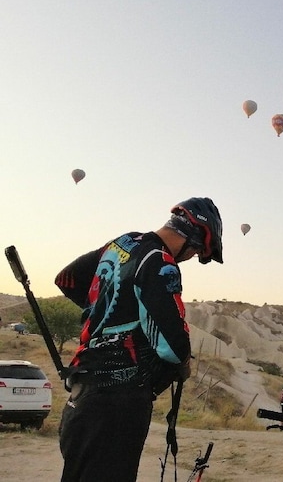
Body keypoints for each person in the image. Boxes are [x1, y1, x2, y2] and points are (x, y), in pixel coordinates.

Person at [53, 197, 224, 482]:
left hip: (83, 393)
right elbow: (172, 345)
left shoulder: (124, 243)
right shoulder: (160, 262)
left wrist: (103, 310)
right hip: (117, 403)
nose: (192, 256)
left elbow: (67, 279)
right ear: (193, 237)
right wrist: (184, 364)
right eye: (196, 251)